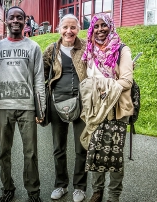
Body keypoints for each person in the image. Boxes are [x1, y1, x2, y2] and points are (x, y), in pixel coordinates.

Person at [0, 6, 45, 202]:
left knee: (30, 153)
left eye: (20, 17)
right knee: (4, 152)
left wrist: (41, 108)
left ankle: (33, 192)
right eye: (12, 17)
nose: (16, 20)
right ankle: (7, 187)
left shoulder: (33, 47)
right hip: (4, 107)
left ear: (25, 22)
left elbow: (39, 79)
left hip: (27, 108)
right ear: (6, 21)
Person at [80, 13, 134, 202]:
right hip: (95, 109)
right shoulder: (90, 50)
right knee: (94, 151)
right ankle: (97, 191)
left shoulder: (121, 49)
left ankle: (113, 195)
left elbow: (126, 81)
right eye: (97, 26)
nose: (100, 29)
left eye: (104, 25)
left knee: (114, 153)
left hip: (115, 108)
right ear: (92, 29)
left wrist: (102, 89)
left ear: (110, 26)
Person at [42, 14, 88, 202]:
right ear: (59, 28)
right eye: (65, 27)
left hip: (82, 102)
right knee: (58, 148)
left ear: (78, 29)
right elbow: (42, 78)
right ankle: (60, 185)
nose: (69, 31)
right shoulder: (51, 50)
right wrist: (41, 106)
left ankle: (80, 187)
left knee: (81, 147)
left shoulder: (86, 47)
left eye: (73, 27)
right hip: (56, 102)